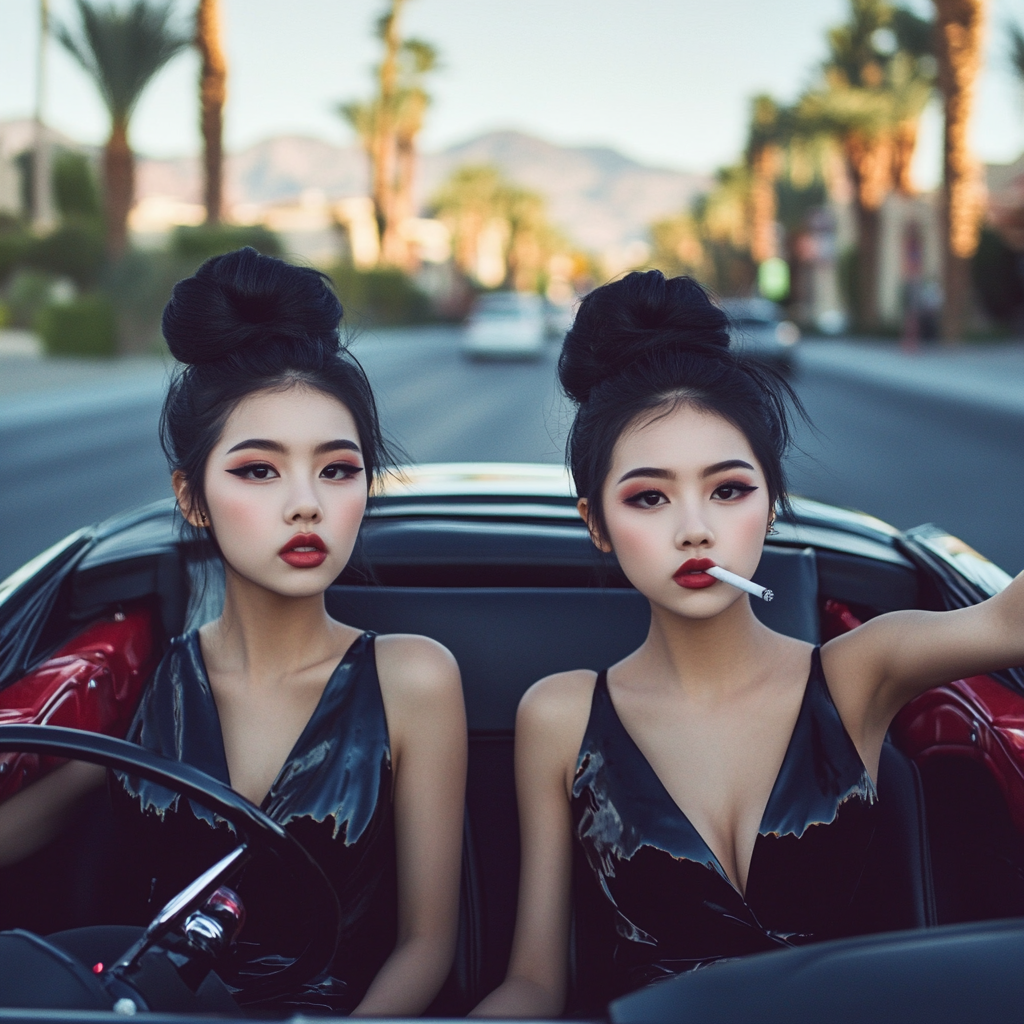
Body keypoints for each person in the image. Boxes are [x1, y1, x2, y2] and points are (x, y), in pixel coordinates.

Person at [473, 270, 1024, 1017]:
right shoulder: (561, 715)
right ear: (596, 522)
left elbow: (1008, 623)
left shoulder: (860, 671)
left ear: (770, 505)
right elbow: (534, 983)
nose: (694, 527)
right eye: (648, 497)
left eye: (728, 489)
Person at [0, 248, 467, 1016]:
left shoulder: (414, 678)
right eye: (259, 471)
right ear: (192, 496)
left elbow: (427, 947)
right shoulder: (146, 682)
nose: (306, 505)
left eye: (338, 470)